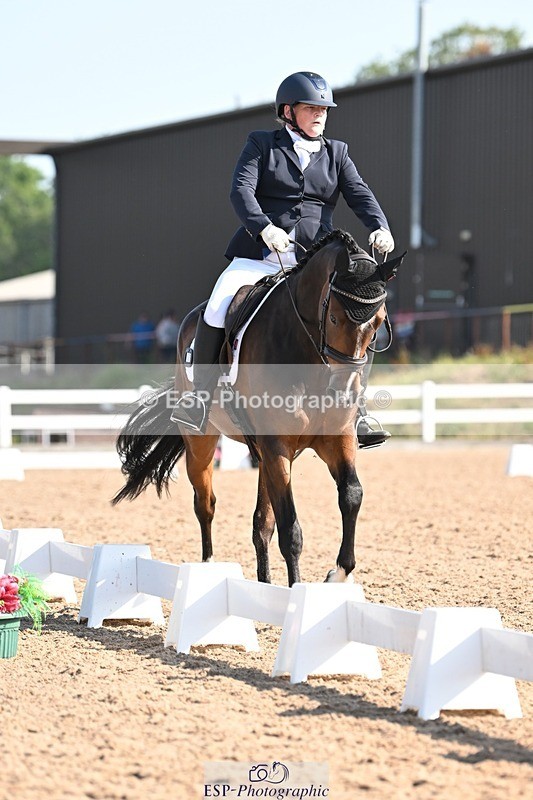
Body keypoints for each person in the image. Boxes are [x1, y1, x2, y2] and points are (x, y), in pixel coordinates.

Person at [172, 71, 395, 446]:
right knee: (216, 306)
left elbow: (361, 194)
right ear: (289, 111)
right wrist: (262, 227)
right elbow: (240, 191)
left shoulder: (337, 153)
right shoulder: (262, 144)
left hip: (314, 262)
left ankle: (358, 413)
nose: (320, 115)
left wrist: (380, 226)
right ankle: (199, 398)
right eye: (312, 108)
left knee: (361, 311)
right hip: (261, 254)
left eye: (324, 109)